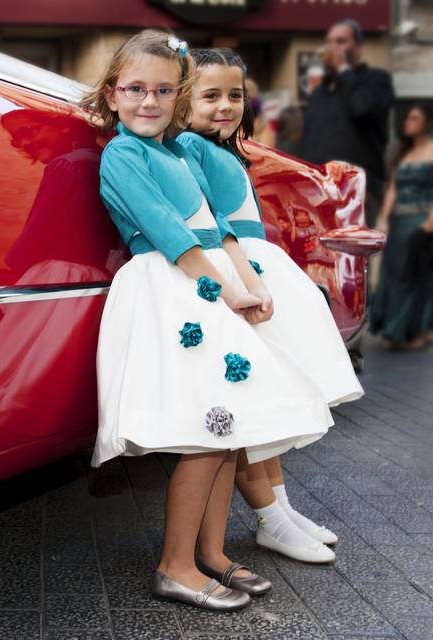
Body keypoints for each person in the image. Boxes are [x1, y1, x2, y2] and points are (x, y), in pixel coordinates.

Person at [80, 30, 334, 611]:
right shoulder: (123, 154)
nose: (149, 100)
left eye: (163, 90)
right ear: (112, 95)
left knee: (230, 429)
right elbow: (170, 235)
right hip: (176, 288)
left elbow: (218, 225)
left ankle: (211, 555)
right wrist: (227, 293)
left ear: (179, 95)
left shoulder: (175, 151)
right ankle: (174, 566)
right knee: (206, 433)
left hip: (205, 287)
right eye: (136, 89)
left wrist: (246, 284)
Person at [178, 48, 365, 563]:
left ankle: (280, 508)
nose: (225, 106)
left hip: (253, 268)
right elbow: (212, 225)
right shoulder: (189, 147)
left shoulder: (223, 149)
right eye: (210, 95)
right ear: (182, 99)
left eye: (234, 95)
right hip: (234, 274)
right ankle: (269, 517)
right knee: (250, 409)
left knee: (268, 405)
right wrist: (241, 283)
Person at [298, 18, 395, 227]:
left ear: (358, 48)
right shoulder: (319, 93)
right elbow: (309, 143)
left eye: (341, 41)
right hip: (319, 193)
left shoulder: (376, 80)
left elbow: (363, 109)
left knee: (352, 258)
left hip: (358, 192)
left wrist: (344, 69)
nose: (333, 47)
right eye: (330, 41)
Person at [371, 104, 433, 349]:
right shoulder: (403, 153)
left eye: (415, 118)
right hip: (399, 223)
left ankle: (414, 331)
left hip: (421, 222)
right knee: (393, 274)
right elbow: (393, 189)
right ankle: (395, 329)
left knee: (416, 276)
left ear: (427, 122)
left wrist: (430, 221)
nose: (408, 122)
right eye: (407, 117)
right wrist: (384, 220)